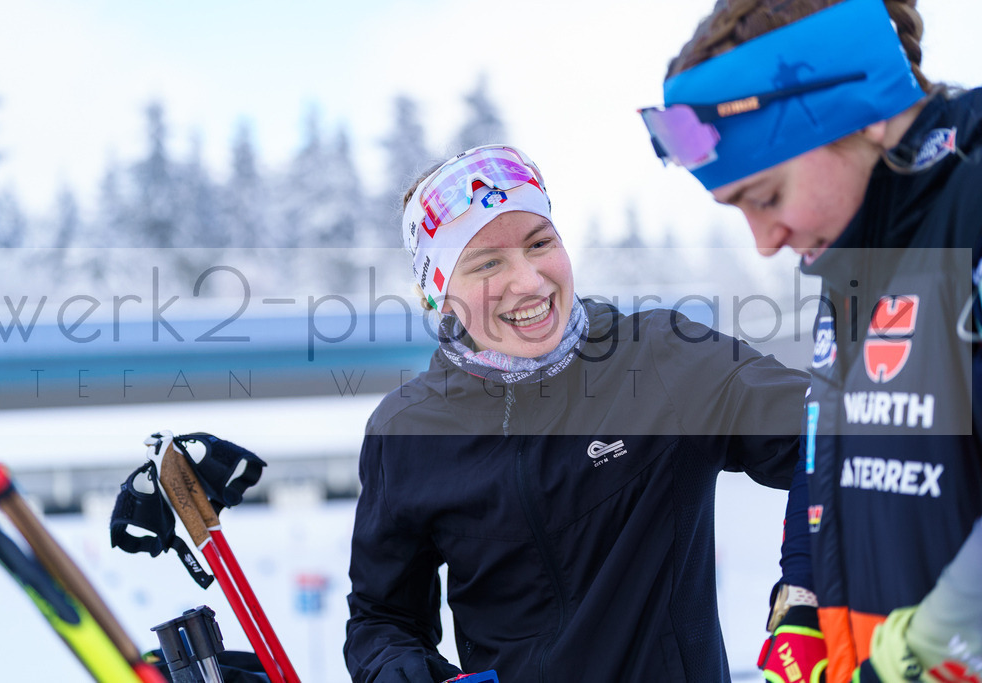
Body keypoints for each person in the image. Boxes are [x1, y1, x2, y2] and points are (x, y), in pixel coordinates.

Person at [343, 143, 812, 682]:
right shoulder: (405, 431)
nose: (529, 280)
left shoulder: (663, 354)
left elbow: (837, 441)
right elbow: (383, 618)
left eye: (539, 243)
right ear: (440, 296)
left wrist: (809, 583)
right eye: (487, 263)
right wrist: (403, 671)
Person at [641, 1, 982, 682]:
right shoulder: (857, 241)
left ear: (860, 111)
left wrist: (934, 647)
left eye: (765, 196)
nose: (764, 241)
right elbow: (834, 444)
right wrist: (803, 597)